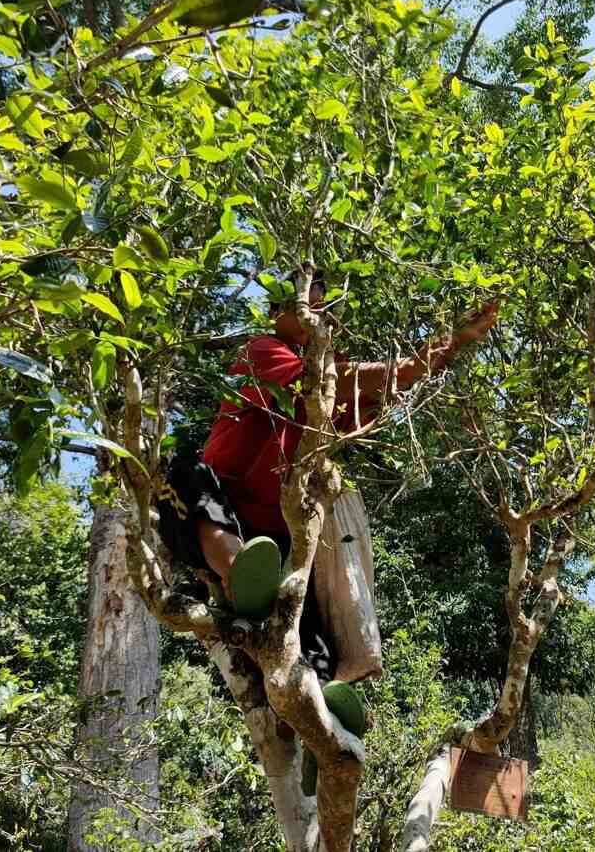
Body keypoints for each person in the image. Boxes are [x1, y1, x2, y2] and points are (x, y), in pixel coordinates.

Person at [158, 269, 498, 679]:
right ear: (277, 312)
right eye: (307, 306)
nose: (318, 315)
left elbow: (381, 391)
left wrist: (451, 344)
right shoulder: (263, 349)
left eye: (322, 309)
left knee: (311, 656)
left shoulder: (324, 391)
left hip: (277, 538)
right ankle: (237, 576)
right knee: (184, 470)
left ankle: (323, 694)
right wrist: (420, 359)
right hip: (221, 514)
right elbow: (355, 379)